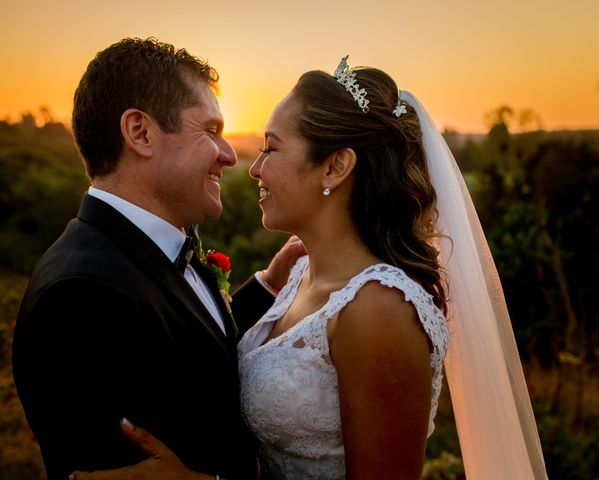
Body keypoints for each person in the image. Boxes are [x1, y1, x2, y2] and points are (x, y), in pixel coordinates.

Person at [72, 56, 548, 479]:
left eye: (272, 148)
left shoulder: (378, 310)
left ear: (334, 167)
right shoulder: (300, 275)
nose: (254, 168)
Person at [12, 37, 303, 480]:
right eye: (209, 131)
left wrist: (267, 284)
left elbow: (189, 362)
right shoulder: (80, 296)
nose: (228, 155)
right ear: (140, 133)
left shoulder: (167, 242)